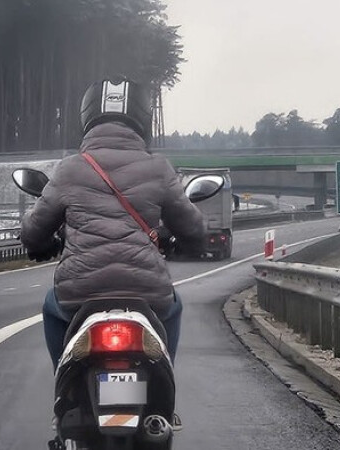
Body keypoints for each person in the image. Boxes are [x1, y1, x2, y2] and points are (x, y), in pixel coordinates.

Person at [19, 77, 205, 374]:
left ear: (87, 117)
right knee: (174, 306)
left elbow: (32, 231)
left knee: (51, 307)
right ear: (143, 119)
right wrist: (188, 241)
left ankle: (63, 381)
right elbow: (193, 228)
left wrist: (43, 244)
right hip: (147, 290)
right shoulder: (158, 168)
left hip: (79, 290)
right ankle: (164, 379)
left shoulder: (70, 168)